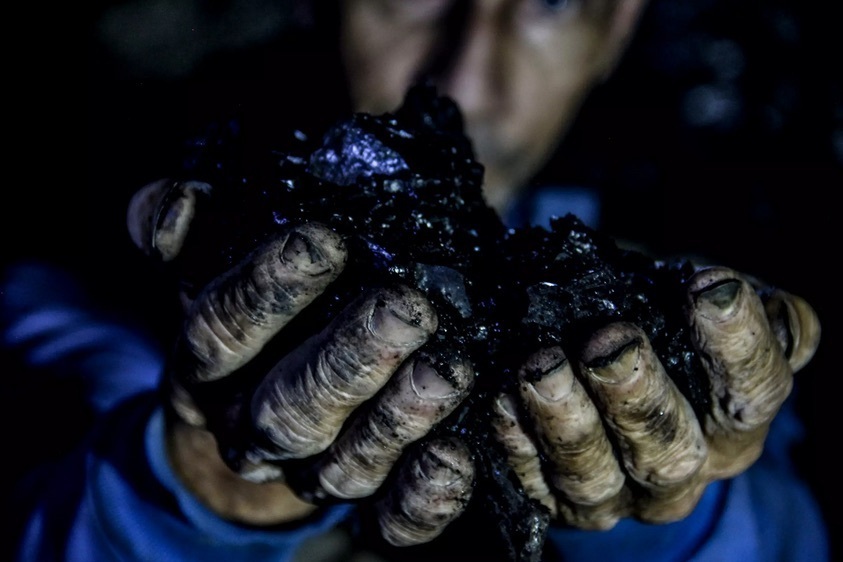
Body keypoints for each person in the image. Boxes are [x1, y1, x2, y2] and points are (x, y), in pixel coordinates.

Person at [4, 0, 836, 560]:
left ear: (616, 28)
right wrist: (205, 475)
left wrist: (678, 497)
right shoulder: (103, 265)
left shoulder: (687, 257)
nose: (469, 80)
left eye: (549, 0)